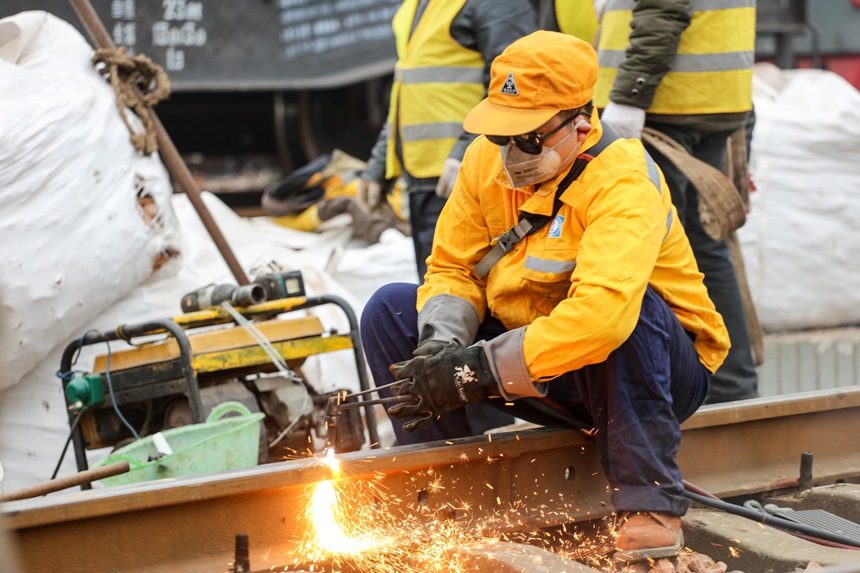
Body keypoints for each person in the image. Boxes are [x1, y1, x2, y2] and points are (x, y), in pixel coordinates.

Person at [360, 31, 730, 561]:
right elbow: (452, 269)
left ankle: (650, 505)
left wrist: (479, 371)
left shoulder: (622, 181)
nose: (511, 153)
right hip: (544, 368)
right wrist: (441, 352)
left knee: (631, 311)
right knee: (391, 309)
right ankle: (438, 497)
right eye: (501, 135)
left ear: (580, 123)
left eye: (528, 138)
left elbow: (602, 319)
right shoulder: (482, 165)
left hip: (654, 374)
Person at [594, 0, 759, 403]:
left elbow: (662, 11)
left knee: (659, 250)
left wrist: (631, 94)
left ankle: (699, 385)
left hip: (664, 102)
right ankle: (729, 383)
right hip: (699, 98)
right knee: (701, 247)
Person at [356, 0, 537, 282]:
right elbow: (406, 87)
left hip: (467, 177)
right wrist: (380, 162)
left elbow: (513, 86)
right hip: (424, 176)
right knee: (436, 289)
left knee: (466, 288)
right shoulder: (418, 5)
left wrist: (464, 150)